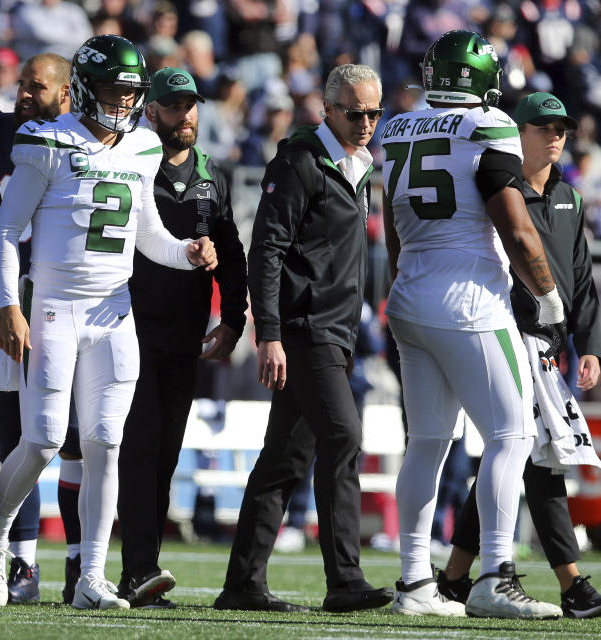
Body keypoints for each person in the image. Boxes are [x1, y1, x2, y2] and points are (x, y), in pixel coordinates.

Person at [0, 34, 217, 610]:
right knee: (41, 441)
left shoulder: (142, 147)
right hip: (56, 305)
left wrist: (186, 251)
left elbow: (149, 236)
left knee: (106, 443)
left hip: (114, 310)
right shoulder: (47, 142)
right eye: (112, 89)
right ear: (84, 88)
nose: (121, 101)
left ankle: (91, 574)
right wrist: (11, 304)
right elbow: (7, 232)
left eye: (130, 91)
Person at [382, 30, 564, 619]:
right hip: (469, 300)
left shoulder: (398, 126)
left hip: (409, 292)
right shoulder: (488, 125)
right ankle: (494, 577)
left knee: (427, 443)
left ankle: (415, 583)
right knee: (512, 436)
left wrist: (401, 284)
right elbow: (515, 227)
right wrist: (549, 295)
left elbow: (390, 223)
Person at [214, 63, 392, 614]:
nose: (366, 123)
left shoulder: (356, 166)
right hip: (305, 330)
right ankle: (344, 581)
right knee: (342, 438)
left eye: (374, 113)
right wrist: (268, 333)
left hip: (334, 333)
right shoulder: (300, 162)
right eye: (356, 112)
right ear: (328, 110)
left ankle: (243, 583)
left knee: (283, 462)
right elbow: (265, 249)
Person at [437, 92, 601, 619]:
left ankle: (455, 578)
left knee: (508, 458)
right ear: (517, 132)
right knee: (538, 456)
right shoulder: (493, 193)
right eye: (542, 127)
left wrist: (589, 346)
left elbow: (581, 282)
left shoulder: (571, 200)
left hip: (549, 348)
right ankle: (572, 584)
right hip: (503, 336)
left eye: (561, 129)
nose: (554, 136)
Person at [117, 67, 247, 609]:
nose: (186, 114)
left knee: (165, 453)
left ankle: (139, 568)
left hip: (183, 337)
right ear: (151, 111)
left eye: (191, 104)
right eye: (174, 105)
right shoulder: (130, 166)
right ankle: (126, 568)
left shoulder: (211, 175)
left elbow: (232, 251)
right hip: (124, 331)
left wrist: (235, 318)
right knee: (134, 449)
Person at [0, 51, 82, 604]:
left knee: (61, 444)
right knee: (16, 440)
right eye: (21, 85)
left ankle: (43, 563)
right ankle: (16, 560)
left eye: (35, 88)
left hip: (55, 306)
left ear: (65, 93)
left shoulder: (81, 141)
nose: (22, 95)